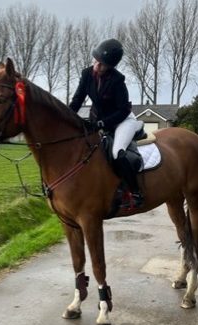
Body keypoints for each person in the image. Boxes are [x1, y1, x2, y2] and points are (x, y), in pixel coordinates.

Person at [69, 38, 144, 208]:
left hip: (122, 121)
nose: (97, 66)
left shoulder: (118, 80)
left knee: (117, 152)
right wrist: (66, 116)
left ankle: (135, 192)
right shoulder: (86, 74)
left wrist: (102, 124)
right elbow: (77, 100)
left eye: (102, 64)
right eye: (96, 61)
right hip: (99, 120)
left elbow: (123, 110)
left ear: (110, 67)